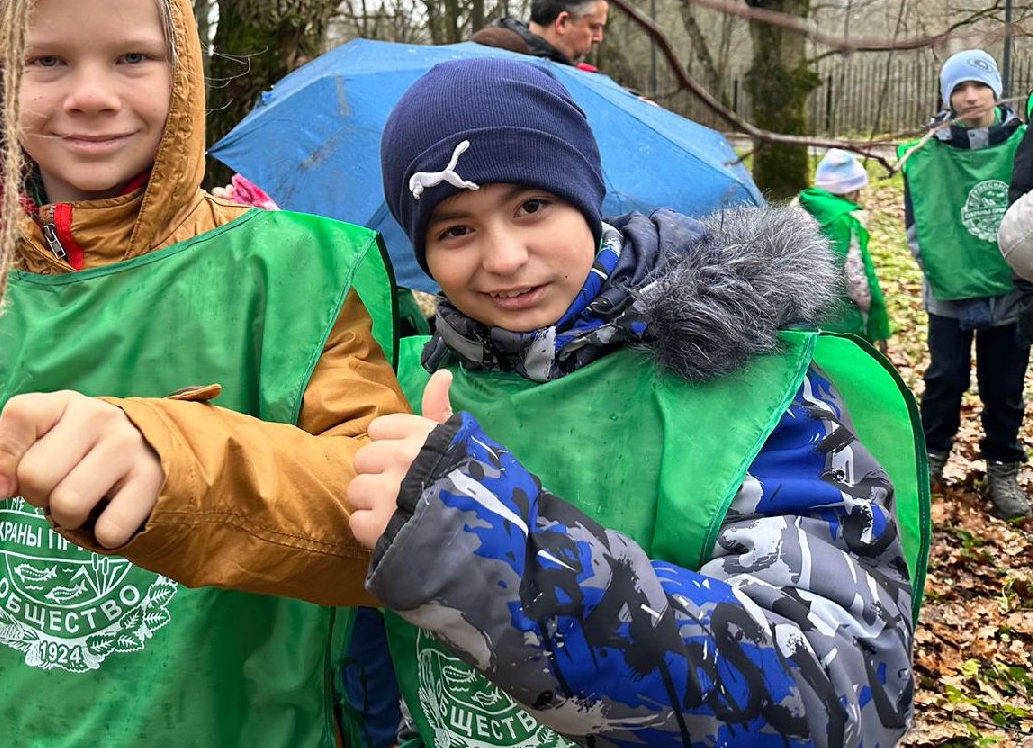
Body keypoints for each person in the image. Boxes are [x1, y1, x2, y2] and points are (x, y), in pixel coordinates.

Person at [0, 0, 408, 746]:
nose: (91, 96)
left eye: (132, 58)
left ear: (182, 73)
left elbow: (386, 534)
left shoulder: (298, 275)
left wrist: (176, 462)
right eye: (47, 60)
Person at [346, 58, 925, 747]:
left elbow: (842, 691)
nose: (503, 258)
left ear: (585, 198)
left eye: (531, 207)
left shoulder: (750, 390)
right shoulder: (399, 391)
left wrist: (493, 553)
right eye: (455, 230)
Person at [901, 49, 1029, 519]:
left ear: (996, 90)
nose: (970, 96)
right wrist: (941, 268)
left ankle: (1002, 467)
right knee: (944, 379)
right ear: (947, 96)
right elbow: (918, 221)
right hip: (948, 289)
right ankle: (932, 457)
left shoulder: (1024, 145)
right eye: (959, 88)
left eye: (979, 85)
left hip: (1010, 289)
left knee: (1005, 385)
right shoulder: (925, 152)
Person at [798, 148, 890, 349]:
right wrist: (876, 324)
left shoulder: (798, 213)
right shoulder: (846, 224)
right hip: (843, 326)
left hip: (801, 324)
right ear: (853, 191)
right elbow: (858, 281)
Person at [471, 0, 609, 68]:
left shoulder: (480, 55)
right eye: (594, 27)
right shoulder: (500, 67)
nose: (598, 37)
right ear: (562, 22)